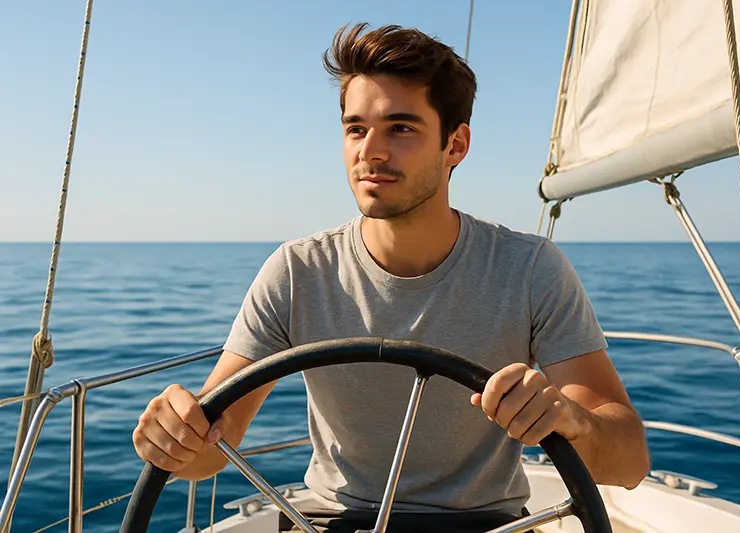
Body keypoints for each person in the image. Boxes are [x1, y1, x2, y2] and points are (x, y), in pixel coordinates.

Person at [133, 23, 650, 532]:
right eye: (356, 129)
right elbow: (209, 454)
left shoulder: (529, 268)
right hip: (328, 523)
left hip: (485, 526)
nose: (370, 150)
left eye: (401, 128)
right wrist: (175, 439)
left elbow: (629, 463)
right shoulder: (296, 272)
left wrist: (571, 419)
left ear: (456, 145)